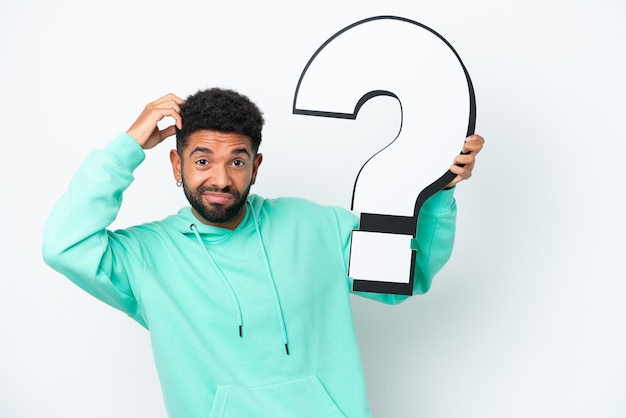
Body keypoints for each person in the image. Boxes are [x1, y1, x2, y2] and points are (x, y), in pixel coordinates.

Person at [42, 88, 484, 418]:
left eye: (236, 161)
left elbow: (410, 275)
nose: (219, 178)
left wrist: (439, 193)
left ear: (256, 166)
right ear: (176, 166)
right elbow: (64, 245)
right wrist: (127, 147)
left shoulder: (317, 226)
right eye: (201, 161)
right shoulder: (146, 257)